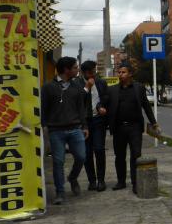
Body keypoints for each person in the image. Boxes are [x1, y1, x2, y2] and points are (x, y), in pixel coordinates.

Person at [105, 62, 159, 194]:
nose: (120, 74)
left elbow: (146, 106)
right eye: (119, 72)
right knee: (119, 156)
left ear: (130, 74)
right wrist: (100, 108)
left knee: (136, 155)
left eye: (123, 72)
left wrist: (154, 122)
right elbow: (105, 104)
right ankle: (121, 181)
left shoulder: (138, 88)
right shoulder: (112, 90)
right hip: (119, 128)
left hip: (135, 127)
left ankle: (136, 183)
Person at [41, 56, 88, 205]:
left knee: (81, 157)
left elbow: (81, 109)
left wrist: (85, 126)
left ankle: (73, 177)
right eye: (75, 67)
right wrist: (44, 127)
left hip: (75, 129)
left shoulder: (77, 87)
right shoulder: (48, 87)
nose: (77, 70)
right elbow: (43, 108)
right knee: (58, 162)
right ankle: (60, 193)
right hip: (56, 131)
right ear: (66, 70)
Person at [79, 60, 110, 192]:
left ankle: (101, 180)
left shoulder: (101, 82)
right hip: (84, 122)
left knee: (99, 149)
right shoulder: (77, 84)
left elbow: (106, 98)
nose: (93, 74)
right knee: (87, 153)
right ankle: (92, 181)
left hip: (98, 121)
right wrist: (87, 87)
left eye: (94, 71)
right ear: (84, 73)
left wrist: (101, 107)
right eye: (91, 72)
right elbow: (78, 101)